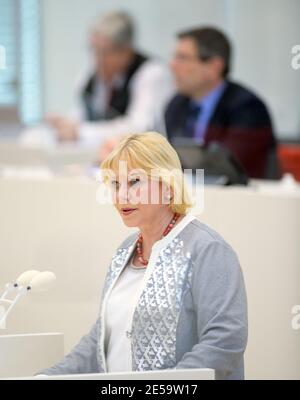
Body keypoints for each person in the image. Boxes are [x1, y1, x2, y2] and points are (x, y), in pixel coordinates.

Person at [38, 132, 248, 380]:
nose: (121, 195)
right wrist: (47, 377)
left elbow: (224, 341)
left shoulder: (208, 250)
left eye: (134, 182)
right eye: (115, 184)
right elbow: (101, 340)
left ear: (169, 187)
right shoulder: (125, 251)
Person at [47, 12, 174, 149]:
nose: (99, 59)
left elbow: (140, 129)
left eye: (105, 52)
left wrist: (81, 133)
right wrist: (64, 124)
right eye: (94, 50)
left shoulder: (151, 73)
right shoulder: (90, 76)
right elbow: (83, 114)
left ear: (126, 50)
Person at [165, 27, 277, 178]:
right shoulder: (177, 104)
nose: (172, 65)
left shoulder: (247, 108)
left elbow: (226, 167)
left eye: (182, 58)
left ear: (214, 66)